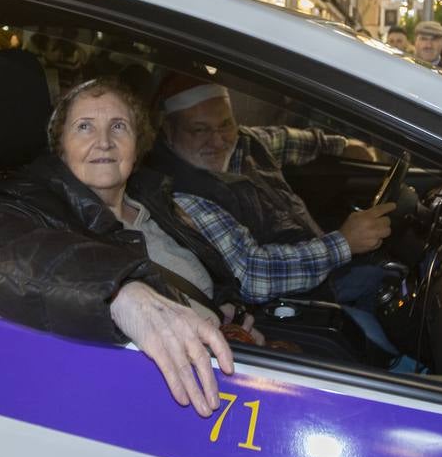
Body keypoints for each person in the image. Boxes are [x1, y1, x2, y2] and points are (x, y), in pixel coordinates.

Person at [0, 77, 247, 417]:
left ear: (138, 143)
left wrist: (227, 309)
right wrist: (118, 292)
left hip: (224, 361)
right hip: (143, 398)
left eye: (118, 126)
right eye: (85, 127)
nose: (104, 142)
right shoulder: (35, 201)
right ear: (61, 146)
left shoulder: (153, 199)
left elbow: (204, 275)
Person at [146, 74, 393, 305]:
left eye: (225, 124)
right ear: (169, 130)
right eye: (200, 130)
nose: (218, 140)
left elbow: (290, 140)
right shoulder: (181, 193)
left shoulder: (246, 143)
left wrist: (344, 145)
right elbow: (252, 275)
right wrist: (344, 243)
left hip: (325, 271)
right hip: (294, 301)